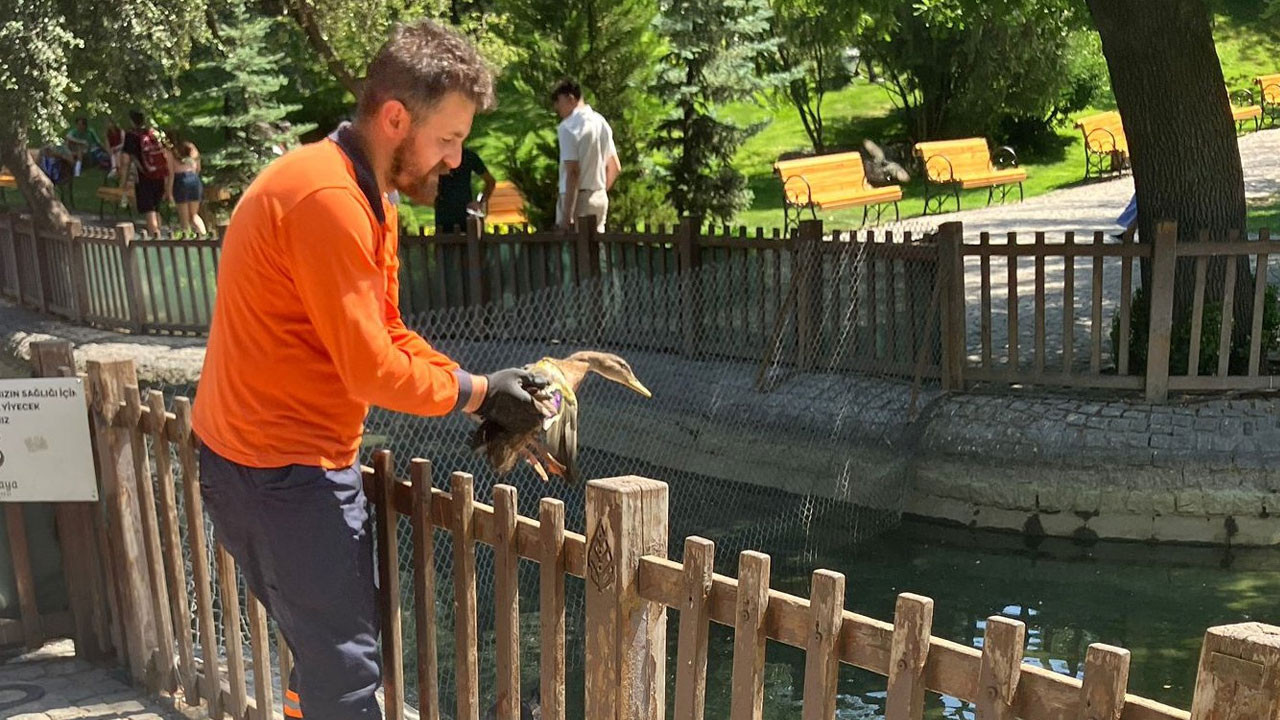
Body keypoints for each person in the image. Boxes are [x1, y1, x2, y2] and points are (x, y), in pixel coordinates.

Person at [190, 20, 548, 720]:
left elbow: (385, 330)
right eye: (447, 139)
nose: (455, 159)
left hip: (271, 464)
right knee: (347, 680)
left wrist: (479, 385)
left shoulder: (363, 190)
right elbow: (369, 371)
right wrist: (473, 393)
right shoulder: (328, 201)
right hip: (280, 474)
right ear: (394, 118)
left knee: (331, 662)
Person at [551, 78, 620, 232]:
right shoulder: (601, 122)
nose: (557, 107)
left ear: (570, 98)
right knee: (597, 250)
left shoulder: (568, 127)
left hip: (577, 201)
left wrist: (567, 216)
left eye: (558, 101)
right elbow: (615, 167)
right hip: (599, 197)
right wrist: (599, 191)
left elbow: (573, 172)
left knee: (576, 252)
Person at [119, 110, 170, 236]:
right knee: (156, 207)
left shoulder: (131, 136)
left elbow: (126, 161)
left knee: (149, 209)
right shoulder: (151, 134)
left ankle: (154, 236)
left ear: (131, 121)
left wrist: (123, 182)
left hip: (144, 176)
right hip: (159, 174)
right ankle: (161, 236)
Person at [431, 145, 496, 233]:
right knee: (467, 243)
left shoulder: (438, 158)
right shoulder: (468, 156)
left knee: (445, 243)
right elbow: (490, 181)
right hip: (461, 209)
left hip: (445, 210)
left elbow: (490, 181)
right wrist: (480, 202)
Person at [169, 140, 207, 235]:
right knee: (194, 215)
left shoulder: (172, 154)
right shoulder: (194, 153)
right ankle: (205, 236)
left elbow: (171, 175)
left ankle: (187, 240)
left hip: (180, 182)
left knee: (184, 219)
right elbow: (198, 169)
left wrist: (169, 192)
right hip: (194, 180)